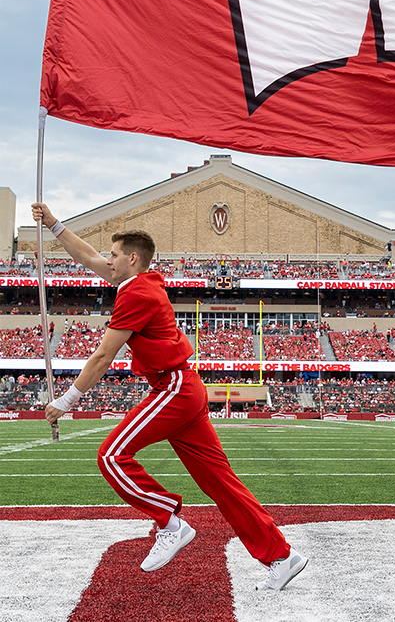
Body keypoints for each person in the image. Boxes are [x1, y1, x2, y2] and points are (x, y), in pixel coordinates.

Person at [31, 202, 306, 594]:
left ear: (131, 258)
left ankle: (170, 522)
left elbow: (103, 355)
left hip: (173, 388)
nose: (105, 261)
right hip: (183, 388)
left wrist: (68, 399)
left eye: (113, 255)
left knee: (111, 456)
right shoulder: (140, 281)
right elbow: (87, 256)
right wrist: (54, 225)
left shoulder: (136, 294)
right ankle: (282, 556)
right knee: (222, 484)